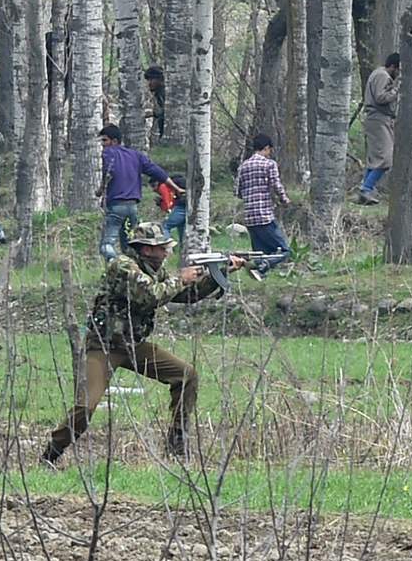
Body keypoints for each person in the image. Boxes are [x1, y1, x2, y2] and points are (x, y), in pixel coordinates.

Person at [41, 223, 245, 463]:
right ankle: (50, 455)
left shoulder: (154, 270)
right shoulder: (123, 266)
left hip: (134, 346)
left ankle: (177, 443)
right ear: (146, 250)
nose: (167, 252)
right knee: (85, 408)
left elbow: (184, 296)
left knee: (186, 375)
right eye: (162, 248)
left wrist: (217, 275)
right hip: (103, 347)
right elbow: (153, 295)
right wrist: (182, 278)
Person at [97, 123, 181, 261]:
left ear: (115, 141)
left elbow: (108, 172)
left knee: (106, 245)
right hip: (132, 207)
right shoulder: (136, 156)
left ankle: (116, 265)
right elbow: (157, 172)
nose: (102, 144)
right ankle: (134, 273)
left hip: (116, 206)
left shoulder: (108, 153)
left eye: (104, 140)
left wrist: (101, 190)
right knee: (130, 246)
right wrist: (176, 188)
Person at [234, 134, 291, 271]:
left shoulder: (243, 167)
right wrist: (284, 199)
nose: (269, 153)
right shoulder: (269, 164)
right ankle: (267, 264)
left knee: (259, 253)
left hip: (249, 217)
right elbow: (276, 185)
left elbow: (237, 191)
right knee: (284, 250)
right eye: (269, 150)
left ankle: (260, 273)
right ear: (266, 148)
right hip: (264, 215)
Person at [357, 53, 401, 204]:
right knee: (386, 158)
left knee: (376, 158)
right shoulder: (382, 75)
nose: (398, 75)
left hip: (377, 119)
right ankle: (366, 188)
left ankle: (365, 189)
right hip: (378, 118)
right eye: (398, 70)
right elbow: (381, 97)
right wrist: (396, 91)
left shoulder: (378, 73)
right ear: (394, 67)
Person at [159, 174, 187, 245]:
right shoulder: (186, 181)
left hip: (181, 206)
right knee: (182, 228)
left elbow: (168, 201)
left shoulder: (170, 184)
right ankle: (183, 248)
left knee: (165, 226)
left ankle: (165, 246)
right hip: (190, 207)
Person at [145, 65, 165, 138]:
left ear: (160, 80)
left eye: (152, 80)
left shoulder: (164, 93)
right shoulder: (157, 93)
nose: (149, 83)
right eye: (148, 80)